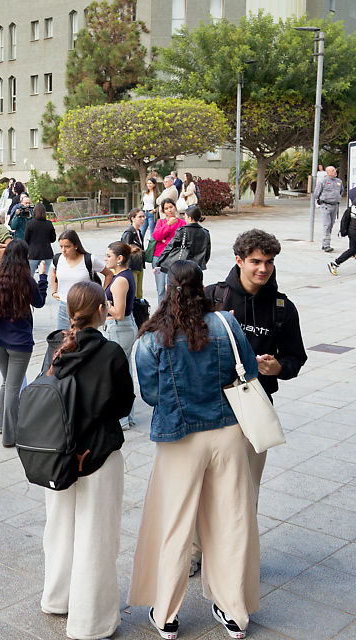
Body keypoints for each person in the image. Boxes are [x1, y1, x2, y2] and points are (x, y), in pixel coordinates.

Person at [129, 261, 261, 640]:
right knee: (232, 520)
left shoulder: (152, 339)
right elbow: (248, 373)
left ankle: (166, 614)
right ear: (202, 287)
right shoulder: (226, 324)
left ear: (167, 289)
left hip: (181, 437)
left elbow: (152, 395)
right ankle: (235, 613)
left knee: (175, 524)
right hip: (228, 433)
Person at [40, 281, 135, 640]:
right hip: (97, 455)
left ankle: (56, 598)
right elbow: (124, 405)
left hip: (58, 456)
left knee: (60, 529)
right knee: (96, 537)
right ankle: (90, 622)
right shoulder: (110, 353)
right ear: (100, 310)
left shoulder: (55, 347)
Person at [205, 229, 306, 483]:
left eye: (269, 262)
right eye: (256, 262)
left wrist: (278, 368)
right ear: (239, 260)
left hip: (255, 406)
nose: (264, 268)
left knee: (247, 486)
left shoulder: (282, 308)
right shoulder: (212, 297)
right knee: (210, 487)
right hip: (210, 406)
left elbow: (295, 357)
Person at [0, 239, 48, 445]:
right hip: (19, 342)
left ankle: (2, 425)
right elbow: (39, 303)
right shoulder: (26, 280)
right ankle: (10, 436)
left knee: (6, 383)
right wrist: (43, 277)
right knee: (13, 387)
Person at [102, 241, 140, 429]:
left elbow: (118, 312)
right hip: (121, 327)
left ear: (119, 259)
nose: (105, 259)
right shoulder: (121, 276)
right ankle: (127, 416)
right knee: (124, 372)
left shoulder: (121, 280)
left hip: (120, 327)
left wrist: (103, 303)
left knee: (118, 374)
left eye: (108, 256)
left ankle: (123, 418)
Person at [50, 230, 95, 331]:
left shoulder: (89, 259)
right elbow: (54, 273)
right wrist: (54, 291)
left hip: (83, 306)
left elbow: (108, 274)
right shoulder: (58, 259)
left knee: (82, 340)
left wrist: (100, 295)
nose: (63, 250)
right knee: (61, 339)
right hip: (64, 306)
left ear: (76, 246)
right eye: (61, 246)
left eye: (67, 246)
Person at [155, 206, 212, 272]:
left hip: (183, 268)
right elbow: (207, 253)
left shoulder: (182, 231)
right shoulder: (205, 233)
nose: (184, 218)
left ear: (190, 218)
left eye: (185, 216)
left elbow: (169, 248)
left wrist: (158, 263)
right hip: (197, 268)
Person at [150, 199, 183, 302]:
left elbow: (180, 240)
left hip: (174, 259)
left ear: (175, 207)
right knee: (161, 290)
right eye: (166, 208)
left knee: (173, 289)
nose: (169, 210)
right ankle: (161, 314)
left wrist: (165, 240)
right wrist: (168, 225)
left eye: (171, 207)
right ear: (163, 211)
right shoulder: (161, 222)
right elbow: (156, 236)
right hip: (159, 258)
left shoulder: (182, 223)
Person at [313, 165, 344, 252]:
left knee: (331, 224)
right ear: (328, 172)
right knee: (326, 225)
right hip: (326, 205)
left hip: (335, 206)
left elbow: (341, 192)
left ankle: (325, 243)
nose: (335, 172)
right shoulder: (323, 181)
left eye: (335, 170)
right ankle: (326, 245)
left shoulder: (339, 181)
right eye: (333, 170)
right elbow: (316, 193)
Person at [120, 210, 148, 299]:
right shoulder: (128, 233)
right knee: (133, 292)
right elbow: (125, 250)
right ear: (133, 219)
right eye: (140, 217)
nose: (143, 219)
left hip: (139, 264)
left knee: (139, 292)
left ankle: (139, 310)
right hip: (131, 265)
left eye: (143, 216)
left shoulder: (139, 232)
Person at [24, 204, 56, 277]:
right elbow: (53, 239)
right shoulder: (49, 224)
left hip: (33, 253)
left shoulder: (30, 224)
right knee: (44, 276)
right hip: (47, 253)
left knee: (30, 276)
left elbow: (26, 240)